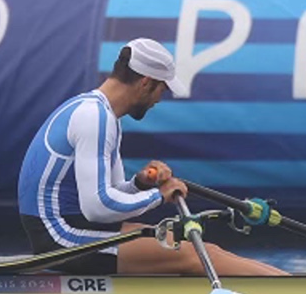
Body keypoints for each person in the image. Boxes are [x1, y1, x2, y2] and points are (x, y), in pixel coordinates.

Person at [16, 37, 286, 277]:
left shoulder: (102, 114)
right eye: (162, 90)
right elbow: (97, 207)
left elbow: (108, 195)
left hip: (73, 229)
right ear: (146, 83)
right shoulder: (93, 117)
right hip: (59, 237)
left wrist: (140, 184)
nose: (160, 99)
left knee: (205, 249)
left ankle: (291, 284)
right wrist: (159, 196)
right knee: (194, 256)